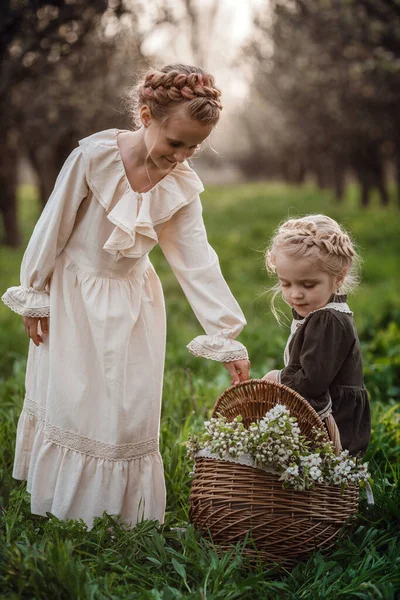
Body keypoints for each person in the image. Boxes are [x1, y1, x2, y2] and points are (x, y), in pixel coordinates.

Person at [2, 64, 250, 528]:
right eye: (175, 142)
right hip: (73, 294)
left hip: (133, 303)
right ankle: (65, 502)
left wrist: (225, 333)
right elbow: (52, 224)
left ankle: (120, 508)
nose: (182, 155)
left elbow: (196, 259)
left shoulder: (180, 185)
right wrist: (35, 290)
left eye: (195, 146)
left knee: (126, 406)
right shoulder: (94, 158)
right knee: (74, 398)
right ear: (145, 115)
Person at [262, 214, 371, 455]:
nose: (295, 295)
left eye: (308, 285)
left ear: (338, 277)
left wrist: (276, 379)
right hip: (325, 413)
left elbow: (312, 381)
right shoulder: (319, 313)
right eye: (286, 284)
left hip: (337, 420)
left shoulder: (329, 319)